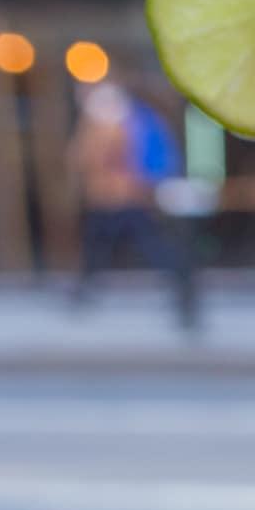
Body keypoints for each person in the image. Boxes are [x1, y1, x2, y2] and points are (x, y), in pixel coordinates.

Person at [68, 77, 198, 330]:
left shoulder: (108, 124)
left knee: (149, 247)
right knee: (100, 249)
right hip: (117, 199)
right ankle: (83, 292)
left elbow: (83, 159)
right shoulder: (125, 120)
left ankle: (184, 293)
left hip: (123, 198)